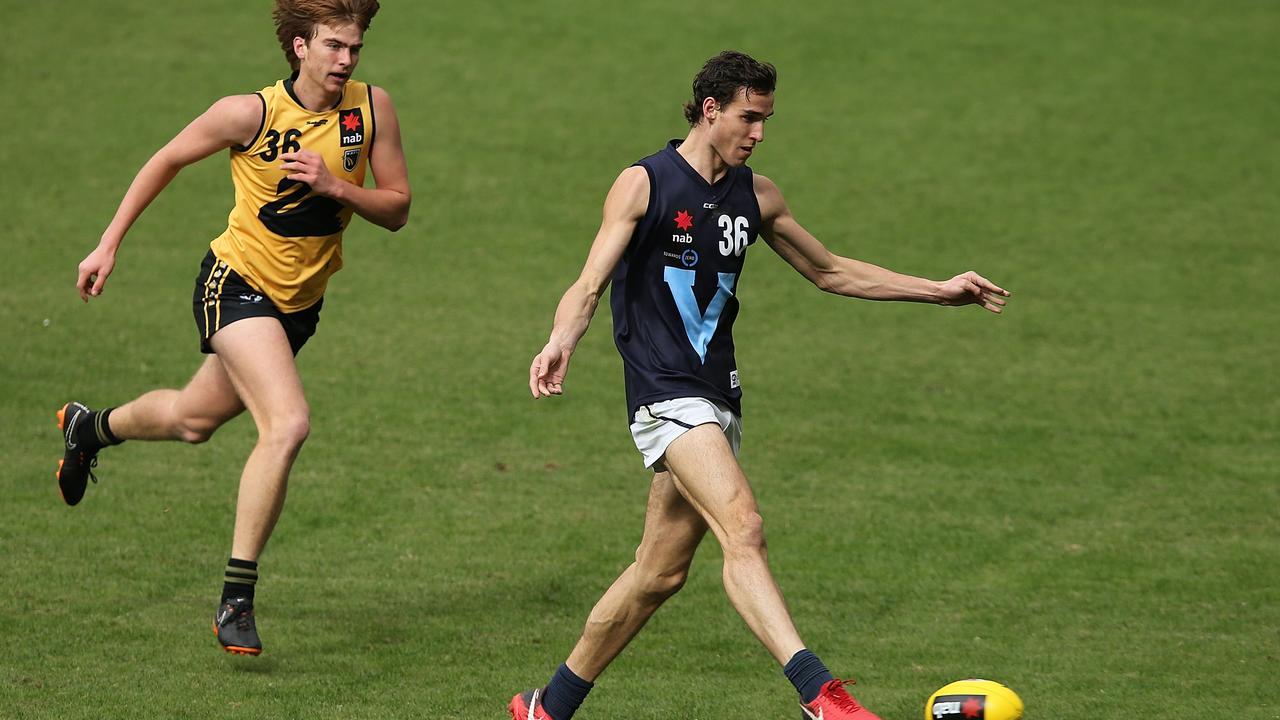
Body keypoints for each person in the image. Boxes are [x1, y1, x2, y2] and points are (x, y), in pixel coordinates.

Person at [514, 50, 1008, 720]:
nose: (760, 133)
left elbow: (830, 270)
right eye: (750, 117)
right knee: (743, 525)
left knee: (657, 574)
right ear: (710, 109)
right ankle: (820, 695)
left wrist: (937, 291)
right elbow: (589, 282)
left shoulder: (757, 195)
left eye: (766, 119)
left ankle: (547, 708)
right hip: (664, 395)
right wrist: (560, 340)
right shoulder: (644, 184)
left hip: (719, 399)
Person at [56, 0, 409, 657]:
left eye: (355, 48)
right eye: (334, 46)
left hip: (300, 306)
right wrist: (107, 245)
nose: (346, 59)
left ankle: (88, 428)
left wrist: (337, 188)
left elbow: (397, 209)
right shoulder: (250, 113)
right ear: (300, 46)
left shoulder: (372, 108)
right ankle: (235, 601)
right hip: (235, 283)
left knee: (194, 420)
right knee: (288, 423)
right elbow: (165, 159)